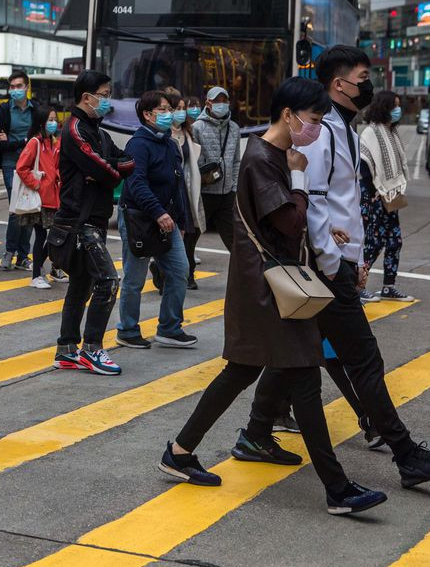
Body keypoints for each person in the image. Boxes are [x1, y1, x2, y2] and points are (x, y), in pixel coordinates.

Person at [158, 77, 388, 516]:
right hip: (271, 291)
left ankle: (181, 450)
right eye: (315, 119)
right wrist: (300, 180)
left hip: (267, 287)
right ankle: (337, 489)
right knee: (303, 378)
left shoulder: (273, 154)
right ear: (289, 114)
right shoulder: (265, 158)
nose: (317, 128)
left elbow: (285, 222)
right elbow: (289, 222)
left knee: (241, 372)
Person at [243, 46, 430, 489]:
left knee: (296, 355)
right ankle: (407, 456)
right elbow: (315, 201)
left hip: (340, 262)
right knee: (364, 358)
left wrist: (356, 258)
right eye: (362, 76)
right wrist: (335, 262)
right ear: (338, 84)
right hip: (329, 267)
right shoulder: (322, 131)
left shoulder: (344, 127)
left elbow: (344, 205)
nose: (367, 85)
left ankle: (253, 433)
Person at [53, 71, 133, 374]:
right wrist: (108, 170)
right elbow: (109, 172)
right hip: (78, 221)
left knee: (81, 284)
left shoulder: (99, 132)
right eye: (105, 93)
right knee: (108, 282)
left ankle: (67, 349)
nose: (108, 99)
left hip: (93, 218)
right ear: (87, 97)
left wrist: (106, 168)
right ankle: (92, 349)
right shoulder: (74, 129)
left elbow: (125, 163)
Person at [115, 90, 196, 350]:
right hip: (140, 218)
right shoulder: (138, 144)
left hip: (168, 221)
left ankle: (169, 329)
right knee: (134, 278)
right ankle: (127, 330)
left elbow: (177, 184)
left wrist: (181, 221)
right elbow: (135, 183)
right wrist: (158, 212)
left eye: (168, 109)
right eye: (162, 109)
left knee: (179, 270)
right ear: (148, 115)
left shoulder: (170, 144)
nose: (168, 114)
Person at [359, 91, 411, 303]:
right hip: (375, 197)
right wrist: (371, 194)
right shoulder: (371, 133)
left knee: (394, 241)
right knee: (372, 243)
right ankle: (358, 286)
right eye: (394, 107)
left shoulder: (392, 133)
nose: (397, 111)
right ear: (384, 107)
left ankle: (389, 286)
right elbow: (365, 162)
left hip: (391, 195)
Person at [0, 70, 38, 271]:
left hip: (32, 166)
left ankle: (22, 255)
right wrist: (22, 142)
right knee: (15, 209)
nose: (15, 90)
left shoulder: (35, 109)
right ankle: (10, 251)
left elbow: (39, 138)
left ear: (27, 87)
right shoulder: (4, 110)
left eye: (19, 86)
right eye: (12, 87)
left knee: (28, 209)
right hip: (12, 165)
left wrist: (12, 141)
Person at [191, 86, 240, 253]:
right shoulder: (197, 127)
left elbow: (236, 161)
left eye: (224, 101)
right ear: (208, 104)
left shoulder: (234, 128)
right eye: (216, 101)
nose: (221, 104)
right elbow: (194, 161)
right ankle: (187, 275)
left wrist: (233, 187)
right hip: (205, 193)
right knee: (191, 237)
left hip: (226, 195)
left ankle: (243, 276)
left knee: (235, 241)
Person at [17, 107, 61, 289]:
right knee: (42, 235)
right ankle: (36, 275)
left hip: (53, 197)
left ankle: (48, 270)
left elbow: (55, 167)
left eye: (55, 119)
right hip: (40, 198)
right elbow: (22, 167)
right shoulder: (35, 142)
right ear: (42, 122)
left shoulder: (53, 142)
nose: (54, 123)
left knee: (55, 235)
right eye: (50, 119)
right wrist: (36, 185)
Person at [169, 91, 204, 291]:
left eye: (184, 108)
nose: (181, 112)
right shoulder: (165, 134)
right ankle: (164, 271)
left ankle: (187, 273)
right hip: (171, 192)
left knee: (191, 233)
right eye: (178, 108)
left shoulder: (189, 133)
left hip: (188, 190)